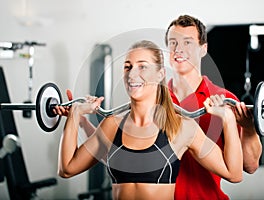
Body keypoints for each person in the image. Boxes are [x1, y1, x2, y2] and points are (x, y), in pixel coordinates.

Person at [56, 40, 243, 199]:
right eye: (128, 67)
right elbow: (67, 169)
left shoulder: (181, 128)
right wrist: (75, 115)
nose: (132, 74)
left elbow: (234, 174)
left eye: (142, 67)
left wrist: (227, 118)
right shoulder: (112, 125)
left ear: (160, 74)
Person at [164, 14, 262, 199]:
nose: (179, 49)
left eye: (187, 43)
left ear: (203, 49)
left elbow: (250, 166)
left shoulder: (225, 99)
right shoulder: (156, 100)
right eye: (173, 43)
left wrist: (249, 129)